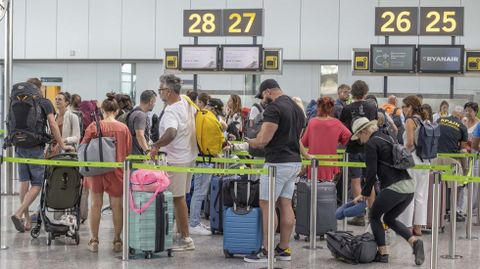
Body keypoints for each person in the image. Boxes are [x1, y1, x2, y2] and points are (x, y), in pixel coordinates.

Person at [244, 79, 305, 263]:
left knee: (267, 205)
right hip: (293, 162)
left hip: (276, 164)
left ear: (268, 91)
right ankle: (283, 249)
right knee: (285, 204)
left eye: (263, 95)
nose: (263, 100)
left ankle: (267, 251)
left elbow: (263, 140)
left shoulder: (274, 108)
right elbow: (297, 138)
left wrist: (249, 141)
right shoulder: (297, 108)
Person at [351, 117, 425, 265]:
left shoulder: (372, 144)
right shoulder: (387, 136)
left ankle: (383, 254)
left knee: (373, 216)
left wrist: (364, 194)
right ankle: (415, 243)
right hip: (409, 186)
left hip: (394, 187)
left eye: (359, 135)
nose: (359, 139)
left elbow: (371, 173)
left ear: (364, 131)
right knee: (389, 219)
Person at [10, 82, 73, 233]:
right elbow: (52, 124)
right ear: (39, 88)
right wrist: (62, 145)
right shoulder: (44, 102)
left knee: (24, 183)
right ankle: (19, 213)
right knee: (37, 184)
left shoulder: (16, 101)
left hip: (19, 146)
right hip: (34, 147)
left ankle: (26, 221)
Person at [150, 74, 198, 251]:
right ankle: (179, 234)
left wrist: (155, 146)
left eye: (160, 90)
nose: (159, 93)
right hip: (189, 156)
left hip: (177, 159)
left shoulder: (170, 110)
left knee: (178, 199)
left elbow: (171, 133)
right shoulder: (186, 101)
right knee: (181, 198)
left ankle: (186, 239)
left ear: (168, 92)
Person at [81, 94, 132, 253]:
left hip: (96, 170)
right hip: (116, 170)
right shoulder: (123, 128)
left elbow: (83, 147)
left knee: (95, 204)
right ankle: (117, 240)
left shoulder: (93, 126)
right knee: (117, 205)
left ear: (102, 110)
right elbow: (128, 151)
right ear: (117, 110)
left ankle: (94, 241)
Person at [339, 80, 378, 226]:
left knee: (355, 180)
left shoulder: (346, 108)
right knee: (370, 180)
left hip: (353, 147)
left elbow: (343, 129)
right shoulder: (372, 107)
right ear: (366, 92)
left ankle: (360, 214)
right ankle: (372, 213)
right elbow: (374, 126)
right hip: (370, 147)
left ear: (352, 93)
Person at [189, 98, 227, 236]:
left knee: (199, 192)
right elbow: (216, 143)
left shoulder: (200, 115)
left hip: (201, 158)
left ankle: (196, 222)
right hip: (205, 159)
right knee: (199, 193)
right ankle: (193, 223)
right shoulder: (210, 119)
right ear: (214, 108)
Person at [397, 96, 431, 236]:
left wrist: (402, 151)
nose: (402, 110)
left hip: (412, 161)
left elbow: (410, 143)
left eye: (404, 107)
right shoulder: (424, 120)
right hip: (425, 162)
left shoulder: (411, 121)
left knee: (408, 194)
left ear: (410, 107)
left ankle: (407, 226)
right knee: (421, 195)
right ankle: (418, 227)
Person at [301, 96, 351, 181]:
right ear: (331, 108)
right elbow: (348, 134)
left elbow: (304, 142)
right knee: (328, 190)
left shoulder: (312, 122)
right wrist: (337, 140)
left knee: (313, 190)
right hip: (330, 162)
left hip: (313, 161)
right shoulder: (336, 123)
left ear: (318, 107)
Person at [434, 106, 468, 221]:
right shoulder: (462, 127)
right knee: (456, 186)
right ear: (461, 116)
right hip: (451, 160)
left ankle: (436, 211)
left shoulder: (439, 120)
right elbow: (463, 149)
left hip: (435, 157)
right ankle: (453, 211)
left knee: (436, 185)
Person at [45, 92, 81, 157]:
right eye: (56, 99)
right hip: (51, 149)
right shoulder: (53, 117)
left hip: (65, 151)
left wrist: (63, 141)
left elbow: (77, 137)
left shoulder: (73, 117)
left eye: (60, 99)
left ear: (67, 103)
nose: (57, 101)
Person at [126, 90, 157, 155]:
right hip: (138, 155)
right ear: (151, 102)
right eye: (154, 102)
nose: (155, 104)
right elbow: (140, 135)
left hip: (132, 152)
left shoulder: (133, 113)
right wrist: (147, 151)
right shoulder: (141, 115)